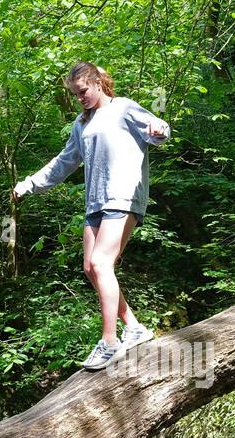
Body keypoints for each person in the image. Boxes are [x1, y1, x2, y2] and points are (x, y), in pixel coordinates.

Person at [13, 61, 171, 370]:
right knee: (89, 268)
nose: (80, 97)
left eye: (83, 91)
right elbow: (64, 162)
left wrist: (158, 128)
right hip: (95, 203)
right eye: (75, 94)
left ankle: (110, 342)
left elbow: (157, 130)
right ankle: (135, 327)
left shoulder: (123, 108)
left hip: (123, 197)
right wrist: (30, 183)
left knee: (101, 264)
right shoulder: (81, 124)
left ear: (98, 83)